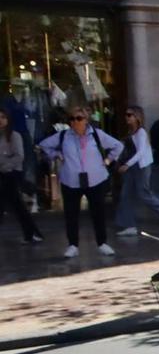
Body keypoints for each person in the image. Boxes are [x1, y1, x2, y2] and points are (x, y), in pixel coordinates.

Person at [38, 106, 124, 258]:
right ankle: (73, 245)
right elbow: (44, 145)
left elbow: (118, 145)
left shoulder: (96, 134)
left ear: (86, 120)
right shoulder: (64, 136)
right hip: (71, 180)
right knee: (71, 214)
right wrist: (56, 154)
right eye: (72, 119)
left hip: (95, 179)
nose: (75, 122)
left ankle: (102, 243)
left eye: (79, 118)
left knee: (98, 213)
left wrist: (108, 160)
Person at [115, 105, 159, 237]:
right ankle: (129, 225)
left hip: (141, 166)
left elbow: (140, 152)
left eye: (130, 115)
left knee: (144, 194)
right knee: (126, 194)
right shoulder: (131, 132)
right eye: (126, 115)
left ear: (137, 117)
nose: (127, 118)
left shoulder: (141, 132)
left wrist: (127, 164)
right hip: (133, 166)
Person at [0, 106, 43, 243]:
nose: (0, 120)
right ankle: (32, 233)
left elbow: (19, 156)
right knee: (14, 206)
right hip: (2, 174)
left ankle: (32, 233)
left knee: (17, 205)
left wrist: (5, 166)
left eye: (3, 117)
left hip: (11, 174)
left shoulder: (14, 136)